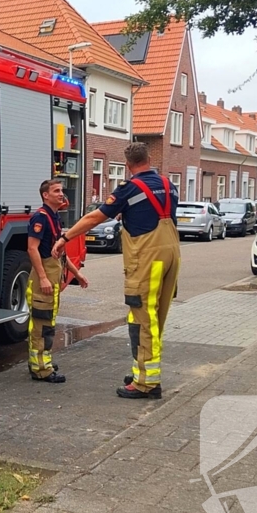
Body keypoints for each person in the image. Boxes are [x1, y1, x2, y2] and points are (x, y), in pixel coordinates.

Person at [54, 143, 180, 399]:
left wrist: (66, 238)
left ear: (128, 165)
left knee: (145, 319)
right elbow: (153, 214)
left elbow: (93, 219)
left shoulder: (129, 189)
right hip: (171, 254)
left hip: (147, 258)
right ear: (147, 159)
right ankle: (141, 371)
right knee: (150, 316)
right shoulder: (168, 184)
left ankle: (147, 383)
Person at [26, 179, 88, 384]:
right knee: (43, 326)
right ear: (45, 195)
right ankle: (41, 369)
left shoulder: (54, 217)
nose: (61, 194)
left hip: (51, 276)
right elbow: (32, 248)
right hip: (44, 278)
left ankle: (41, 362)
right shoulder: (41, 218)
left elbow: (59, 253)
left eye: (61, 190)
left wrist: (76, 275)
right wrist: (43, 277)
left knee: (46, 323)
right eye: (56, 191)